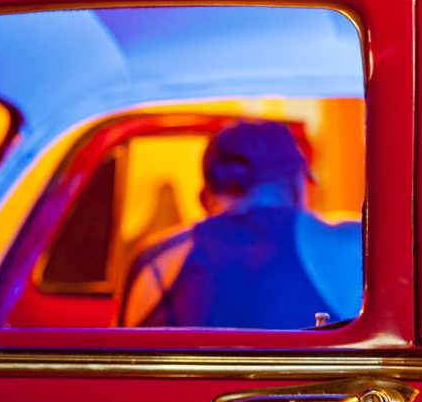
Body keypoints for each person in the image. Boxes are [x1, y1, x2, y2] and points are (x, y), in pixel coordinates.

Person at [120, 119, 360, 329]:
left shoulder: (156, 261)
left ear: (205, 197)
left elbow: (119, 368)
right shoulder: (357, 245)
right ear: (298, 185)